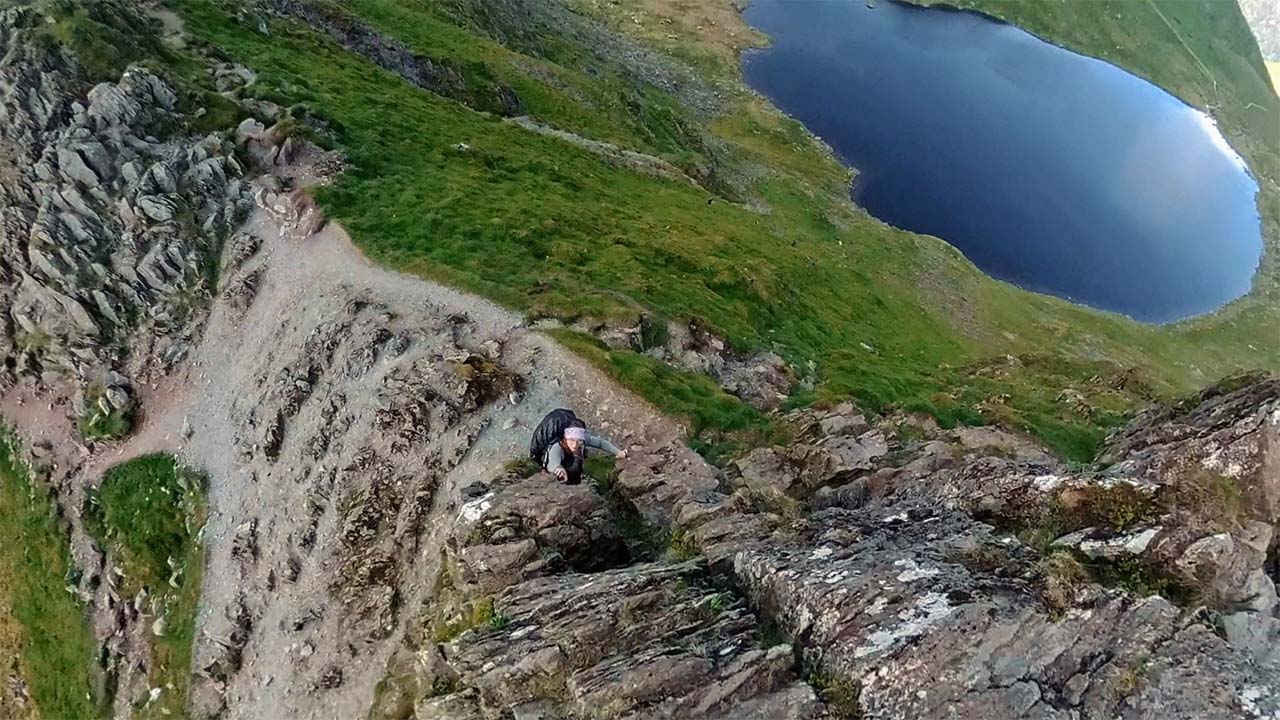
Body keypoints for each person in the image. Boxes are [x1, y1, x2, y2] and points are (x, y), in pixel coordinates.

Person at [544, 419, 627, 485]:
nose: (575, 445)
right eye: (571, 440)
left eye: (579, 441)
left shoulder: (583, 440)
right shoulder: (557, 447)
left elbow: (600, 443)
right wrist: (558, 469)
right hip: (560, 474)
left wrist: (618, 452)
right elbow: (552, 463)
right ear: (565, 438)